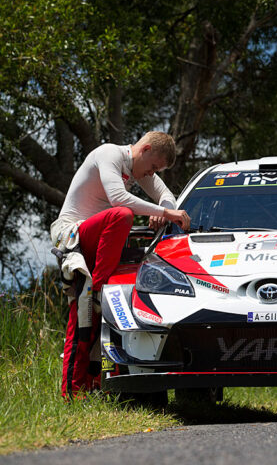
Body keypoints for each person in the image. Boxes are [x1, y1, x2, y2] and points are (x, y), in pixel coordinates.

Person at [50, 131, 191, 398]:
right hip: (74, 235)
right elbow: (119, 199)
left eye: (156, 171)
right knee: (123, 215)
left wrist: (164, 211)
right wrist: (164, 212)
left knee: (92, 319)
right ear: (145, 149)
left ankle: (89, 386)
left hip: (101, 243)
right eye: (153, 167)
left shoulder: (137, 167)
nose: (151, 174)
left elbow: (165, 194)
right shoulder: (109, 154)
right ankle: (99, 287)